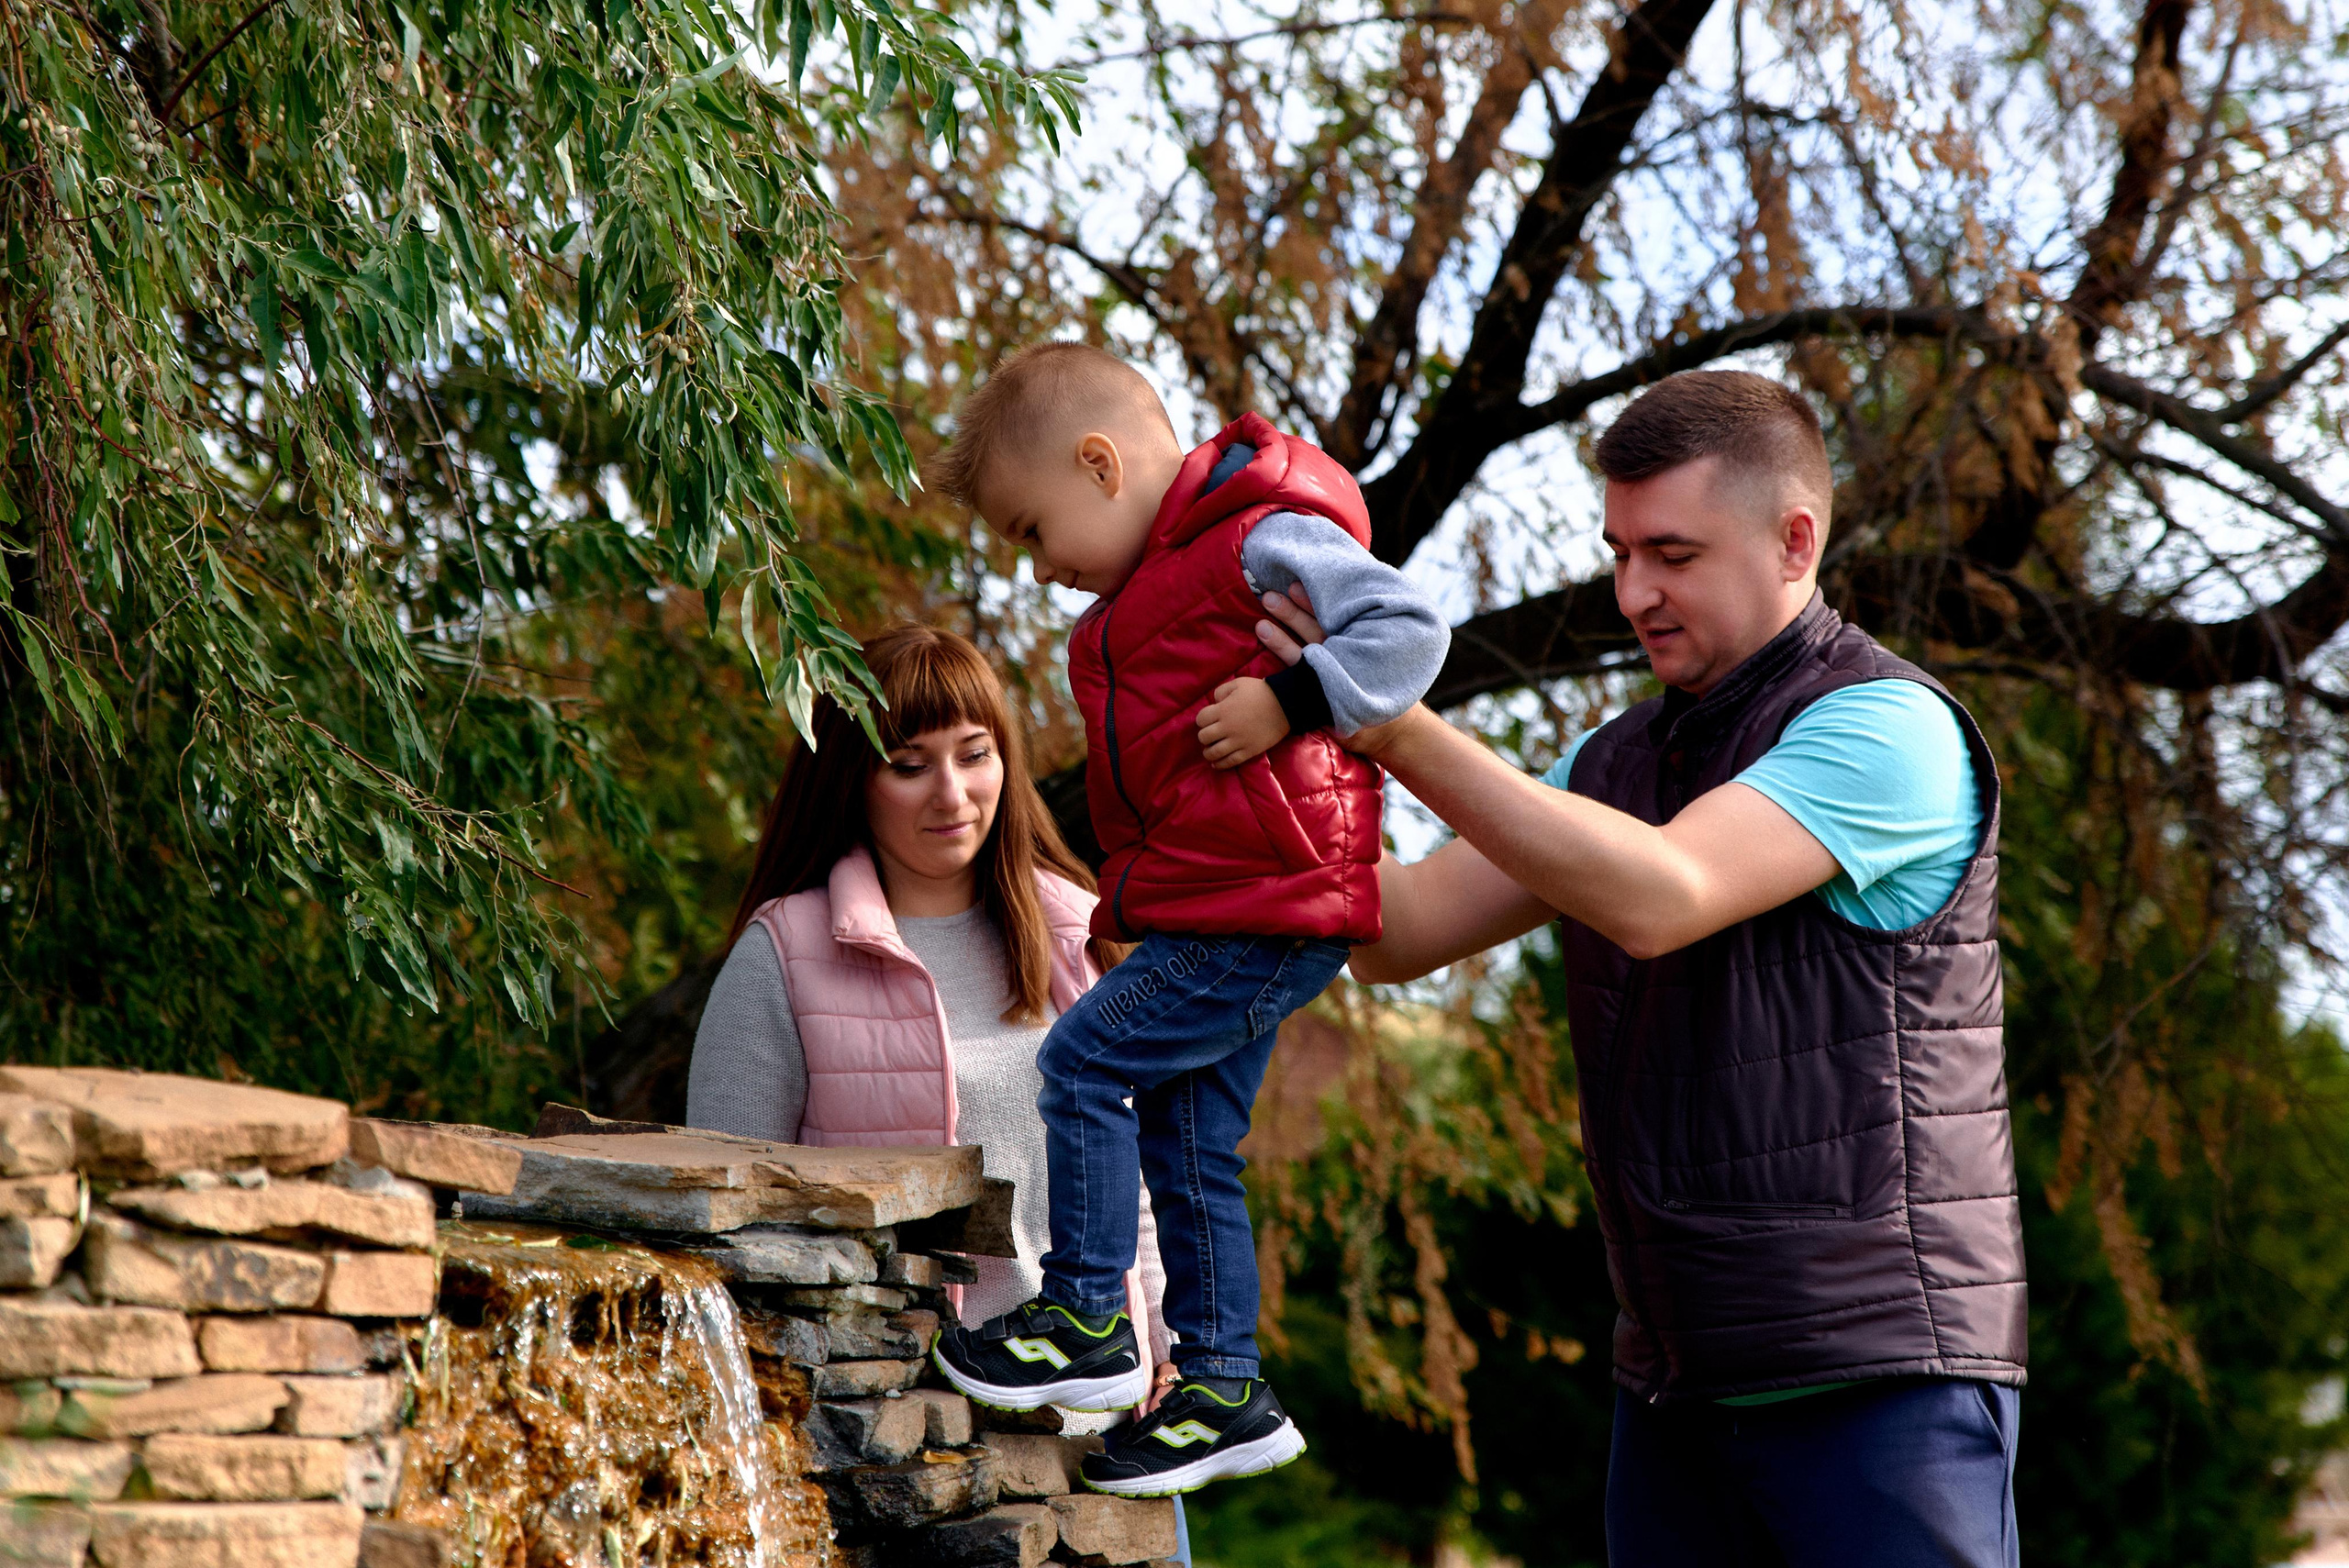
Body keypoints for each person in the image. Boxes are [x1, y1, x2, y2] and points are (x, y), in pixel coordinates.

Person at [1255, 370, 2023, 1567]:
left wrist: (1392, 721)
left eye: (1671, 553)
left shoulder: (1888, 729)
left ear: (1794, 539)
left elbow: (1665, 895)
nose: (1633, 593)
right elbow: (1395, 933)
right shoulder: (1610, 764)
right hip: (1671, 1383)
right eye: (1619, 553)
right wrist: (1270, 739)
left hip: (1878, 1377)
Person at [923, 342, 1451, 1497]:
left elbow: (1409, 631)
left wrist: (1287, 700)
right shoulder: (1150, 589)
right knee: (1188, 1135)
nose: (1037, 568)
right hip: (1228, 903)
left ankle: (1084, 1316)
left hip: (1269, 906)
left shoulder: (1261, 531)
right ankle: (1220, 1387)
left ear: (1100, 464)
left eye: (1030, 530)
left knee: (1082, 1055)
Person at [683, 625, 1182, 1448]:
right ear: (851, 778)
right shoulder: (782, 956)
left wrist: (1174, 1358)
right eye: (909, 765)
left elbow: (1142, 1192)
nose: (952, 794)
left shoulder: (1076, 932)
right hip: (898, 1438)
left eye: (975, 753)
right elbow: (727, 1230)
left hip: (1106, 1433)